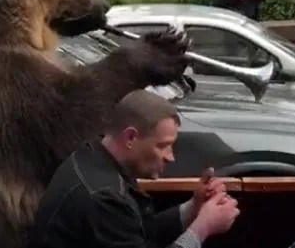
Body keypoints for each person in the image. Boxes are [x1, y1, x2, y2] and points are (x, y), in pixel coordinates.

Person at [29, 90, 240, 248]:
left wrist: (193, 208)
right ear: (130, 137)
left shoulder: (91, 158)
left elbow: (134, 231)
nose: (171, 157)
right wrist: (202, 227)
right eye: (163, 145)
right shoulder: (104, 198)